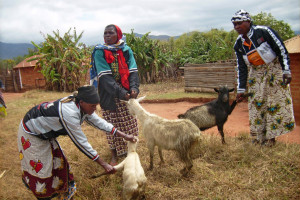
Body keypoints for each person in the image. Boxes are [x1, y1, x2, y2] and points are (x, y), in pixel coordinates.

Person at [17, 85, 136, 200]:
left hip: (46, 134)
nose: (95, 109)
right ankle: (45, 196)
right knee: (42, 171)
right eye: (93, 106)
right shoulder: (69, 113)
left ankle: (64, 195)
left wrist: (125, 136)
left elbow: (100, 122)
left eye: (96, 106)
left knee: (57, 163)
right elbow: (81, 143)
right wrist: (104, 164)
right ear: (82, 102)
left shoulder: (82, 106)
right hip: (31, 134)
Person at [231, 9, 296, 146]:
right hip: (256, 74)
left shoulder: (264, 32)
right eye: (234, 24)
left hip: (273, 69)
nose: (237, 27)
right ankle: (258, 138)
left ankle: (271, 139)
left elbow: (281, 50)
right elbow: (242, 68)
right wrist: (241, 89)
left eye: (239, 23)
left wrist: (286, 70)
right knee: (257, 105)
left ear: (248, 22)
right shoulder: (238, 44)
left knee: (274, 103)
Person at [90, 24, 140, 165]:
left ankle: (131, 151)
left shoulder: (126, 50)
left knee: (130, 123)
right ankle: (114, 154)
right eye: (105, 33)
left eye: (110, 33)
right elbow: (105, 77)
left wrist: (134, 88)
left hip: (126, 93)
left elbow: (133, 70)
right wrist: (122, 93)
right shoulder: (99, 51)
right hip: (109, 93)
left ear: (118, 34)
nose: (107, 35)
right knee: (111, 125)